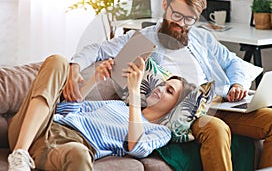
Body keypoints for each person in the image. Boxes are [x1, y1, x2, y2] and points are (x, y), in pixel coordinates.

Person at [62, 0, 272, 170]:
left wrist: (236, 84)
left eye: (189, 19)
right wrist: (74, 67)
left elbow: (232, 62)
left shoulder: (202, 38)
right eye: (177, 15)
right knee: (216, 129)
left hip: (219, 103)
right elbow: (98, 50)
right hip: (184, 112)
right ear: (165, 5)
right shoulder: (144, 39)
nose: (181, 24)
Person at [7, 55, 195, 170]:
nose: (161, 89)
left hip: (64, 148)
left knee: (80, 155)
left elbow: (136, 148)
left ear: (175, 107)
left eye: (169, 91)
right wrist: (94, 81)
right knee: (59, 61)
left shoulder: (161, 131)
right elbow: (66, 111)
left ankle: (23, 155)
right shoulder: (116, 105)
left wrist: (135, 93)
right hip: (35, 128)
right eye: (163, 84)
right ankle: (19, 154)